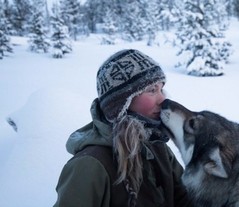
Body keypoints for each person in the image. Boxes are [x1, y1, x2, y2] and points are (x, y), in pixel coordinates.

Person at [54, 49, 193, 207]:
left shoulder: (156, 145)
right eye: (152, 90)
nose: (163, 99)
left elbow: (186, 198)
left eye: (161, 89)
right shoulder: (89, 165)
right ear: (122, 103)